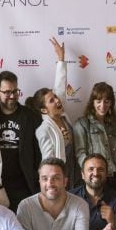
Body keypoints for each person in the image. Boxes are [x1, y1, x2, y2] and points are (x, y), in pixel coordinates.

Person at [0, 70, 42, 215]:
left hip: (25, 184)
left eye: (15, 91)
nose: (12, 96)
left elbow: (40, 150)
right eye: (7, 92)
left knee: (23, 226)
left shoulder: (30, 116)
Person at [30, 38, 79, 186]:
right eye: (51, 101)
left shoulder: (62, 114)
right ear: (44, 110)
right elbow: (48, 162)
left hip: (76, 173)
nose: (57, 101)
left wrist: (61, 59)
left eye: (56, 97)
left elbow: (60, 86)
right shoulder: (43, 130)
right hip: (61, 179)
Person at [73, 82, 116, 193]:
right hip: (97, 177)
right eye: (98, 101)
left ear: (111, 103)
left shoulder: (114, 124)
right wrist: (90, 174)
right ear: (92, 102)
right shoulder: (81, 123)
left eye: (107, 101)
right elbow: (80, 153)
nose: (103, 105)